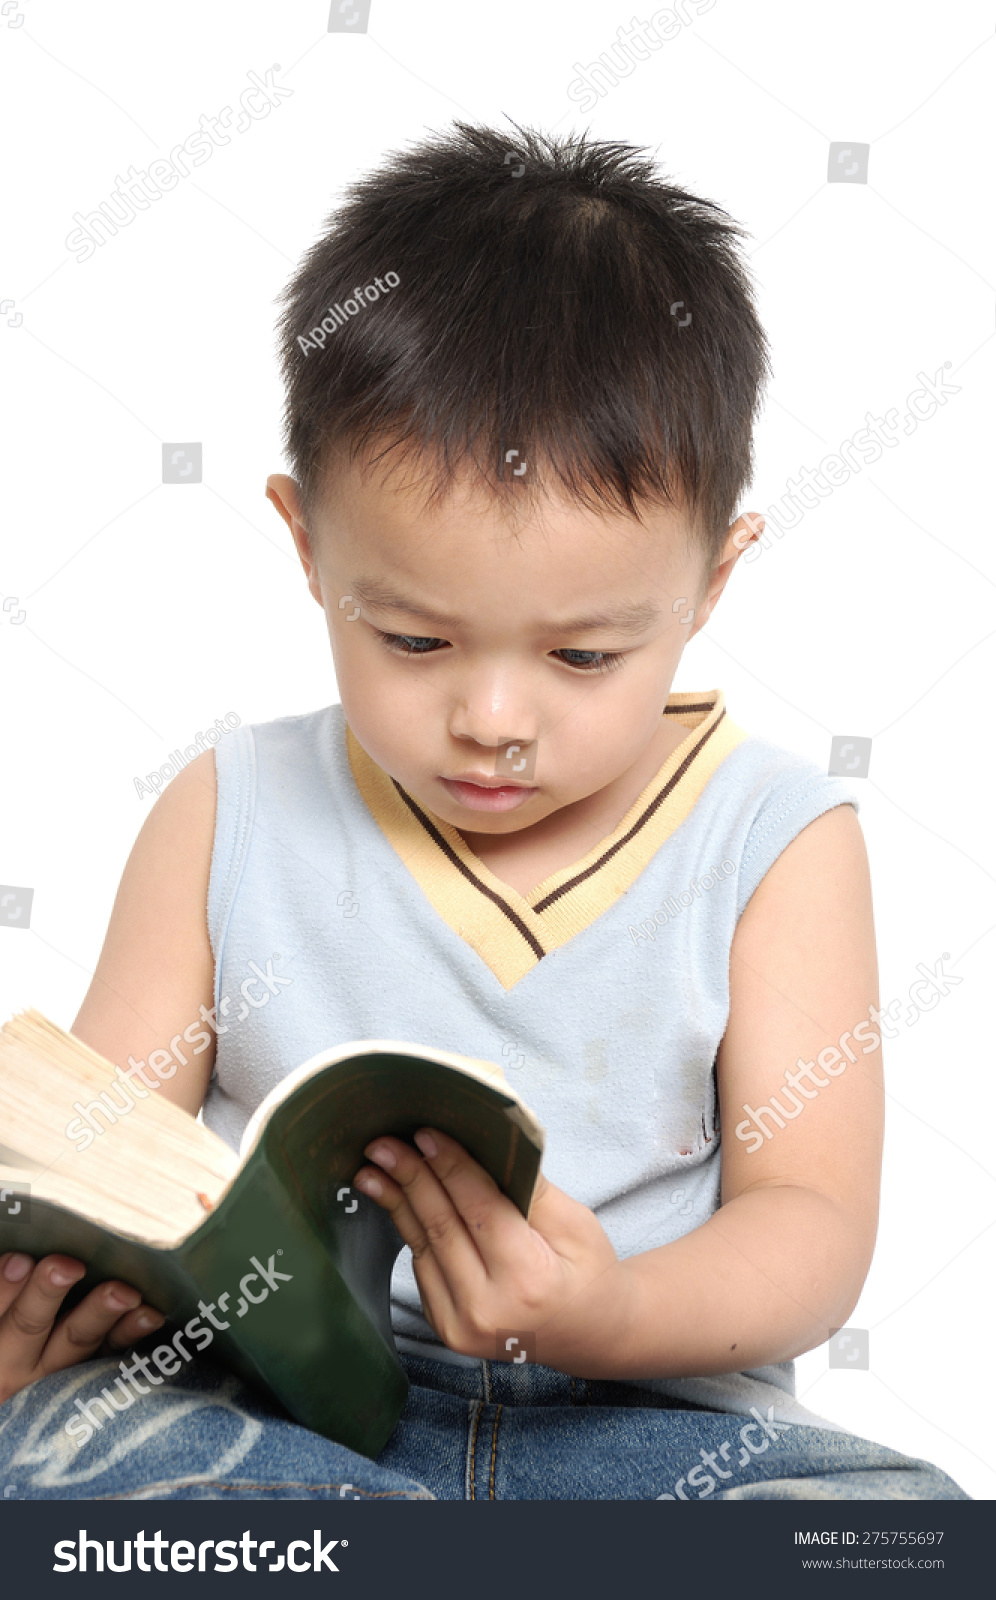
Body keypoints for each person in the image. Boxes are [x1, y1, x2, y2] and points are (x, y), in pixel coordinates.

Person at [0, 123, 967, 1500]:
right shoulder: (230, 808)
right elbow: (94, 1167)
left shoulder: (776, 838)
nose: (494, 720)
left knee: (884, 1530)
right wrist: (48, 1315)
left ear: (711, 583)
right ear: (305, 544)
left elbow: (809, 1224)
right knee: (55, 1459)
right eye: (412, 640)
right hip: (283, 1423)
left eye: (582, 657)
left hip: (646, 1428)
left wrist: (609, 1314)